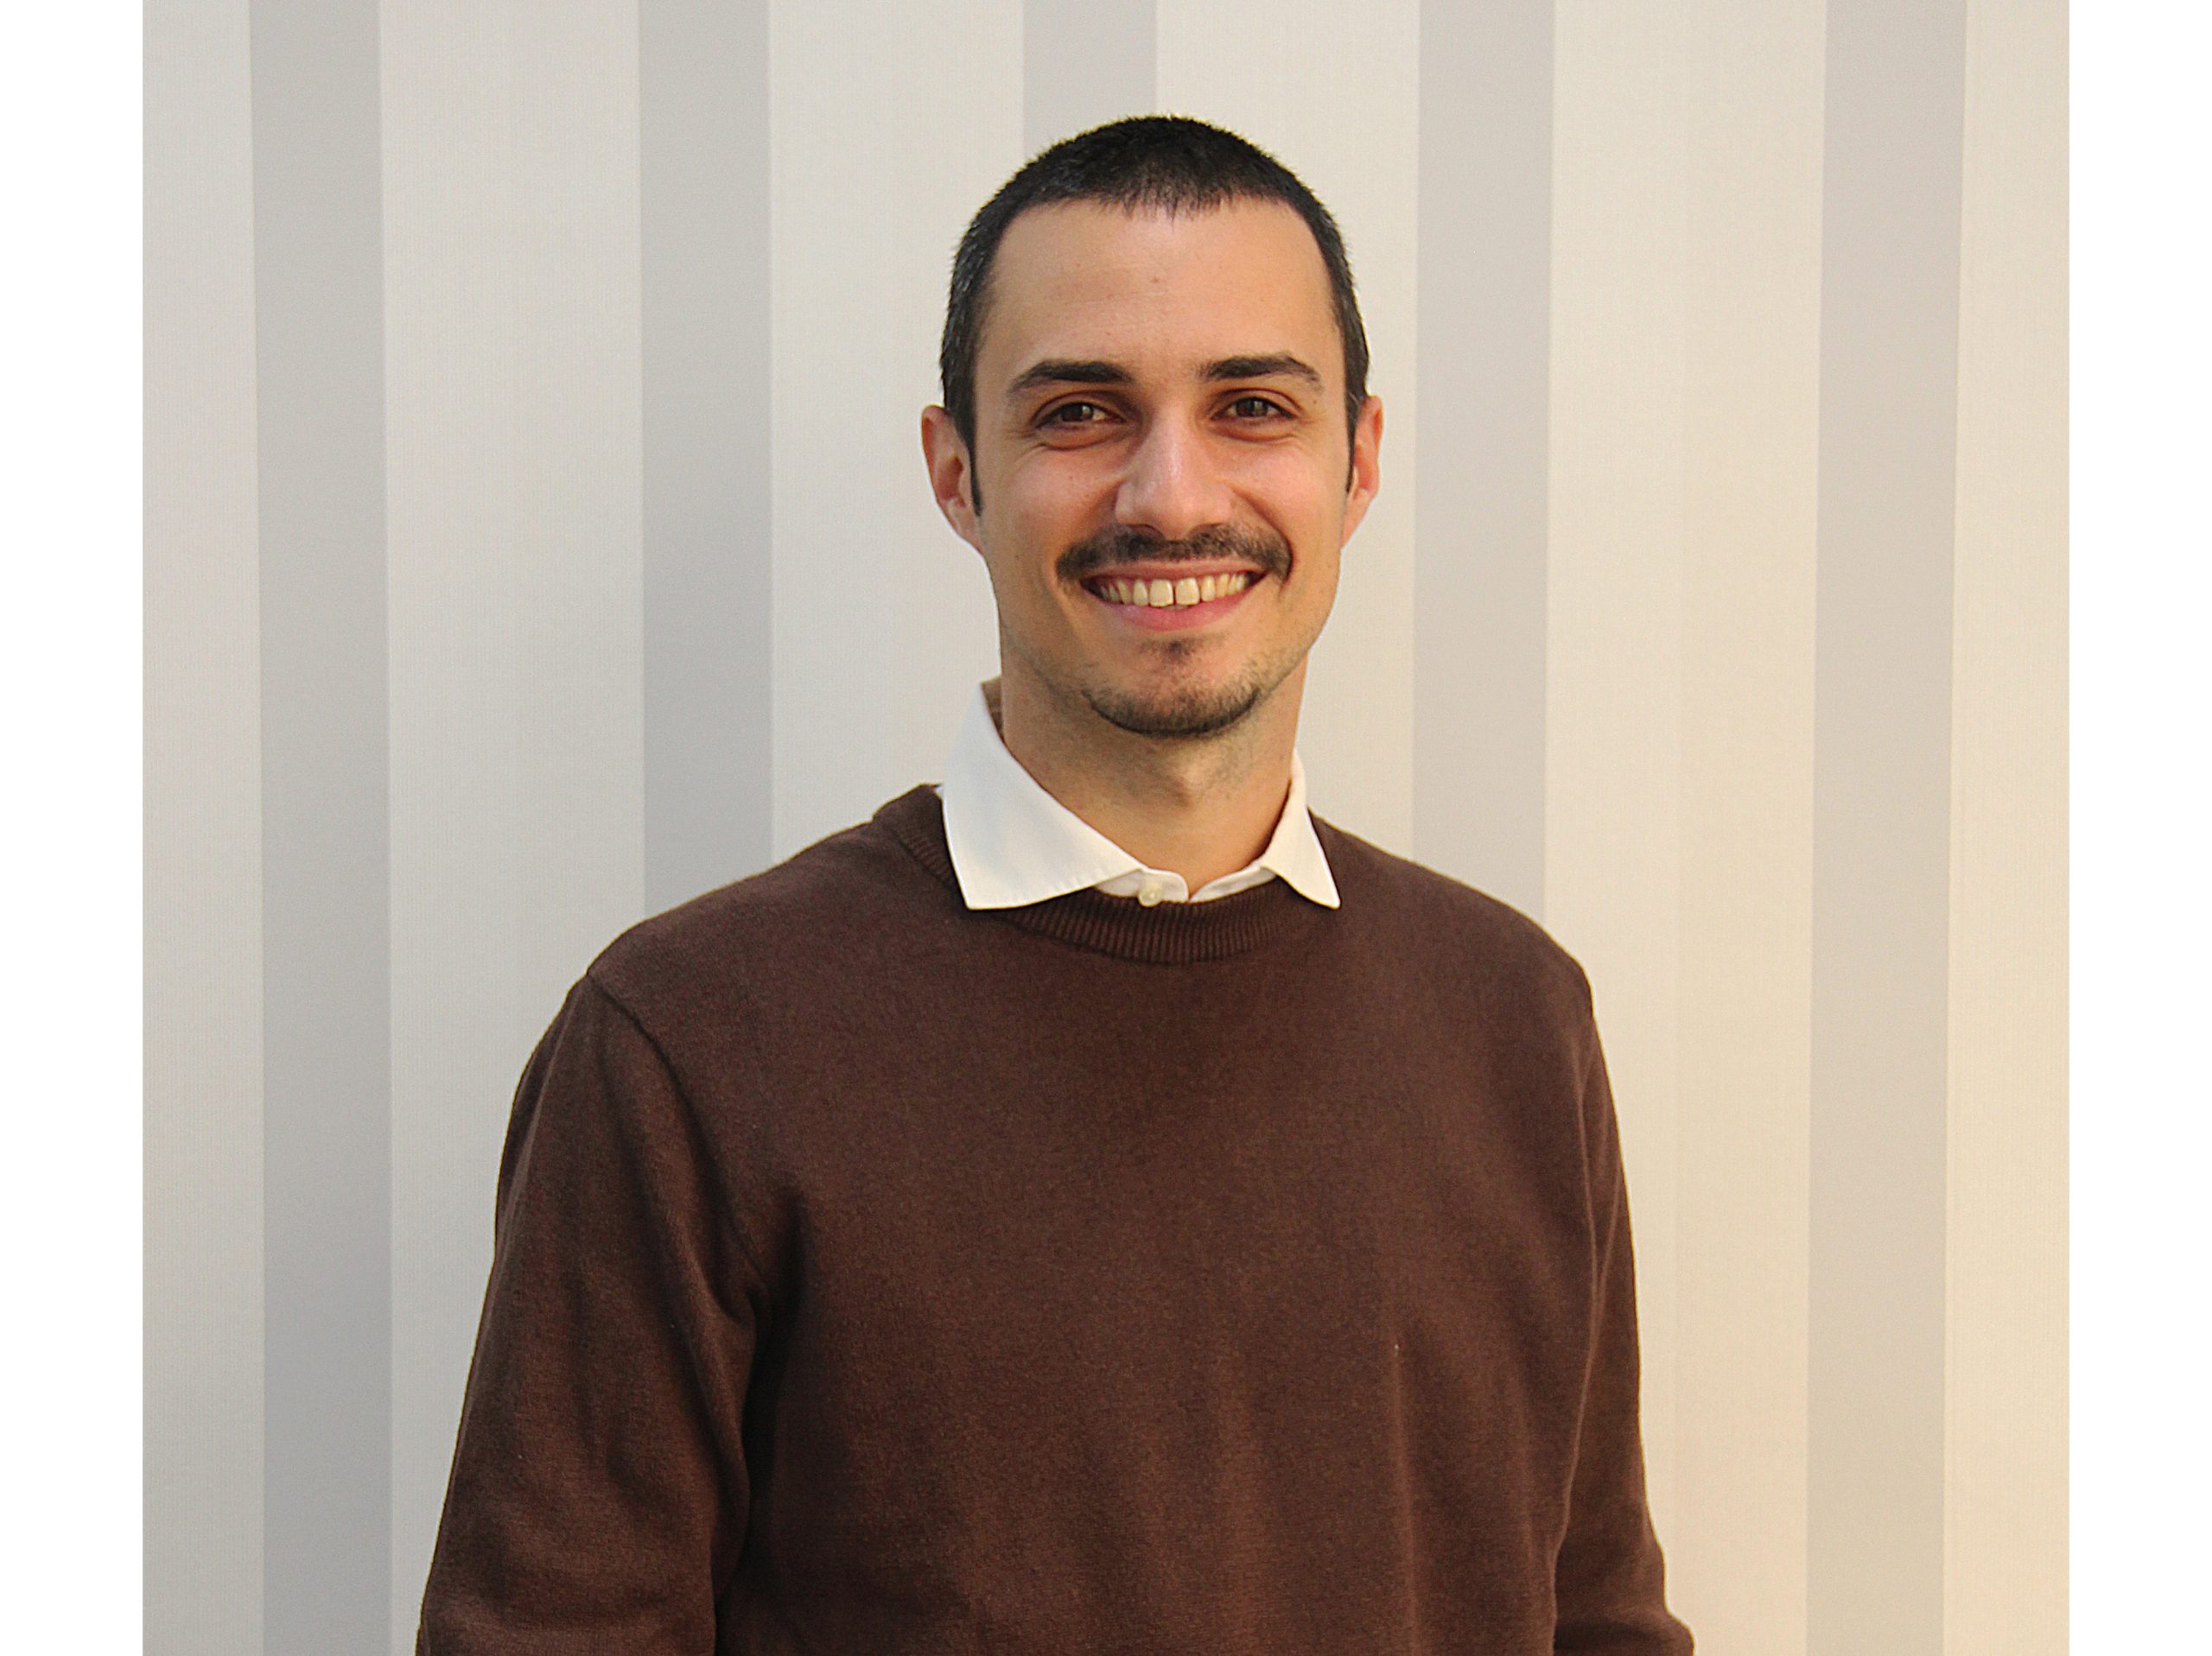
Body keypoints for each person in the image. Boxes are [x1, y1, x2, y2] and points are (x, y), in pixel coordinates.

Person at [416, 115, 1694, 1654]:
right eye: (1082, 411)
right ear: (958, 472)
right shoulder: (688, 1042)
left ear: (1357, 461)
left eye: (1252, 407)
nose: (1172, 494)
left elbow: (1598, 1618)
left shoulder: (1516, 1019)